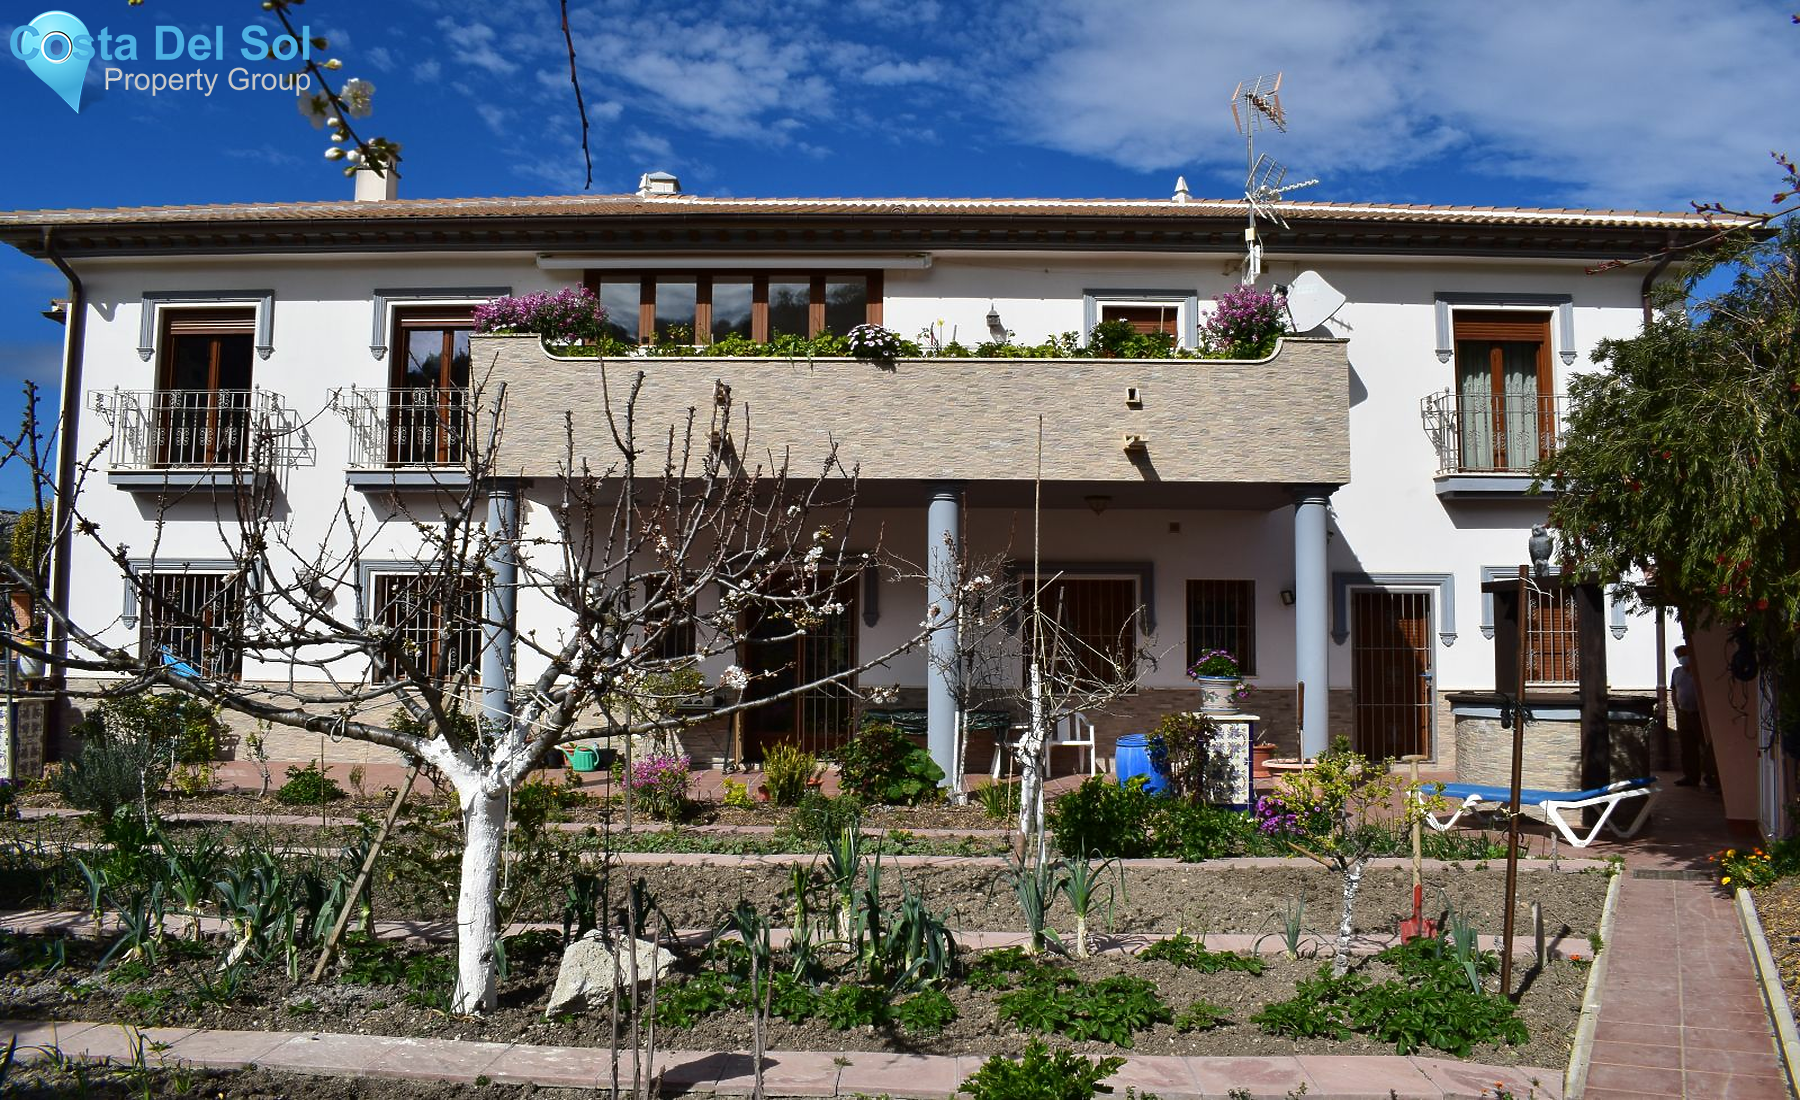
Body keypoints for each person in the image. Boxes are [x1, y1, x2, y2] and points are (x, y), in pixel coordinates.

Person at [1671, 644, 1716, 788]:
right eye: (1679, 656)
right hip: (1684, 714)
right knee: (1687, 748)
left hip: (1699, 715)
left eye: (1683, 654)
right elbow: (1674, 691)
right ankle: (1691, 777)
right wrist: (1677, 710)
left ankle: (1712, 777)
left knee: (1707, 747)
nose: (1681, 658)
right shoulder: (1676, 672)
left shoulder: (1699, 671)